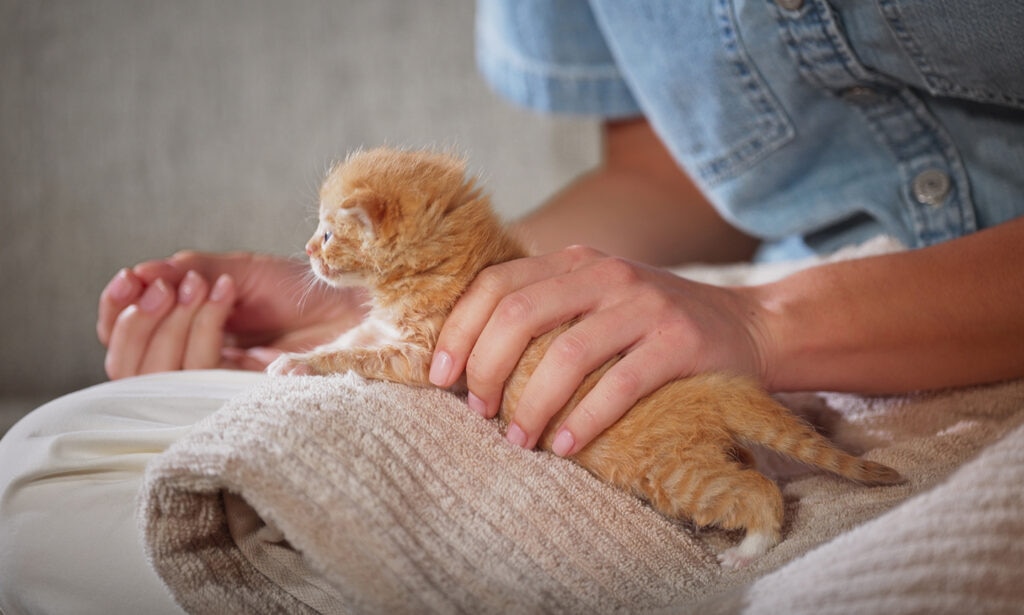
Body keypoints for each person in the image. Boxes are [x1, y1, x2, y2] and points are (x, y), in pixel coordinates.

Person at [2, 1, 1022, 612]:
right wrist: (400, 300)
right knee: (47, 481)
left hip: (857, 331)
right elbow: (667, 183)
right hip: (727, 306)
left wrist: (766, 324)